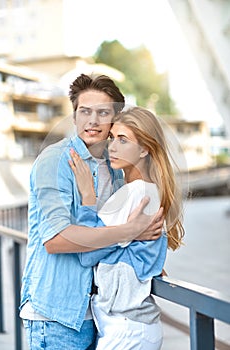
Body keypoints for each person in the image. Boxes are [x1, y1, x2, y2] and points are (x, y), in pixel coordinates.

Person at [19, 74, 164, 350]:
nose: (93, 121)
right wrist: (130, 232)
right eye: (84, 112)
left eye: (103, 113)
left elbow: (109, 237)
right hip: (56, 316)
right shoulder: (56, 161)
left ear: (114, 118)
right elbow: (55, 240)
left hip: (98, 316)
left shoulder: (116, 168)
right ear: (74, 117)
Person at [68, 106, 185, 350]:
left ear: (145, 149)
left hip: (127, 329)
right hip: (131, 327)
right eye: (112, 138)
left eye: (123, 140)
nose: (112, 146)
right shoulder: (147, 190)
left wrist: (88, 195)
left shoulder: (136, 193)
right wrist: (127, 238)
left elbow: (87, 252)